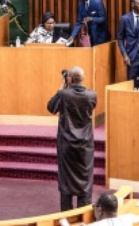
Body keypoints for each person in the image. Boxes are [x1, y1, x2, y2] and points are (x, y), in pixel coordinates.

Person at [47, 66, 97, 210]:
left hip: (67, 143)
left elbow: (51, 107)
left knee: (66, 180)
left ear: (69, 78)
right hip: (85, 144)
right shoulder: (92, 95)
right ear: (83, 78)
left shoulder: (64, 94)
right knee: (85, 179)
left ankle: (66, 216)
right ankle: (83, 214)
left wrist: (62, 87)